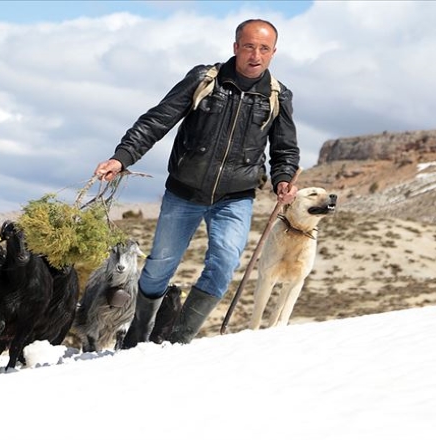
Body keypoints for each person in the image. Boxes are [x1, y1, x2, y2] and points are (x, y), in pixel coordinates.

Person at [94, 19, 300, 344]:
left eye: (263, 49)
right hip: (184, 192)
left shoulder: (278, 96)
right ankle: (138, 335)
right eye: (248, 46)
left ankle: (177, 342)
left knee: (224, 264)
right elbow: (158, 119)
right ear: (236, 47)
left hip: (236, 197)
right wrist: (122, 157)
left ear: (273, 52)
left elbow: (285, 149)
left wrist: (283, 179)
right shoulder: (205, 80)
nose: (255, 55)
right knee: (159, 267)